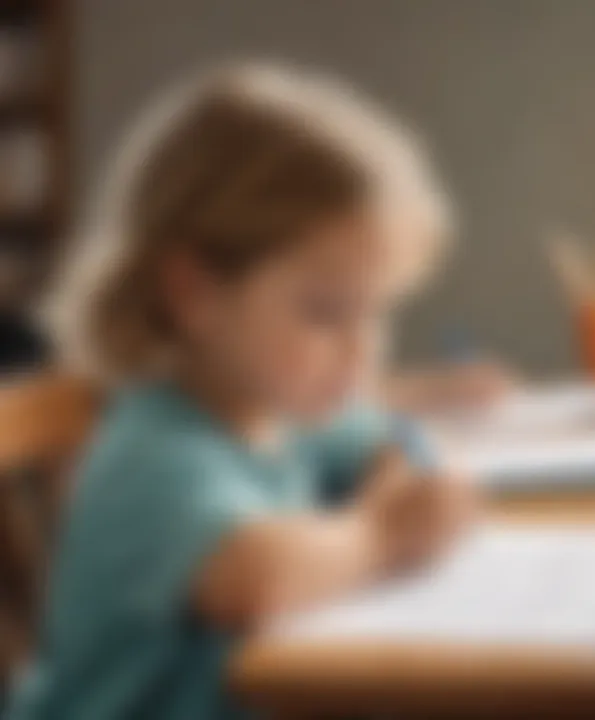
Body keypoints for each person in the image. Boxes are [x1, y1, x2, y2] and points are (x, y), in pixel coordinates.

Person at [7, 64, 480, 719]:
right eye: (326, 312)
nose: (363, 347)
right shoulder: (152, 455)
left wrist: (407, 471)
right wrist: (385, 532)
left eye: (378, 312)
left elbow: (385, 434)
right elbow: (259, 579)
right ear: (194, 294)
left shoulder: (276, 412)